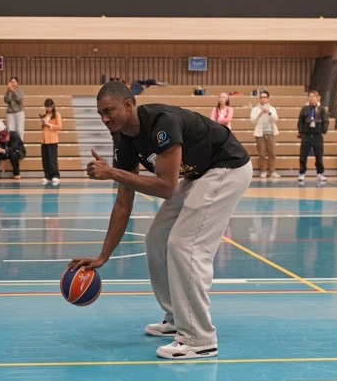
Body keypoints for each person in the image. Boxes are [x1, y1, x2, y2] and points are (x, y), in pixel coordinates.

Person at [68, 81, 252, 360]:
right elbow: (123, 203)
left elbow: (167, 187)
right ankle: (178, 317)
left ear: (129, 105)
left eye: (109, 111)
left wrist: (114, 173)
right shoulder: (123, 140)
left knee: (184, 245)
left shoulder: (162, 123)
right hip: (199, 173)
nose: (105, 119)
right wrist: (103, 256)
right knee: (156, 238)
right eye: (100, 114)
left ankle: (199, 338)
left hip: (226, 167)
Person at [297, 88, 329, 184]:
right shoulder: (304, 109)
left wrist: (323, 130)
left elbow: (325, 121)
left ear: (317, 98)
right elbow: (300, 122)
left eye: (313, 96)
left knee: (319, 155)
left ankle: (320, 173)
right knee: (303, 155)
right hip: (306, 135)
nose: (311, 98)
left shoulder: (322, 109)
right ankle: (302, 173)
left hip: (317, 135)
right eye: (310, 96)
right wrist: (301, 132)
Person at [250, 90, 280, 179]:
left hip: (271, 133)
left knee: (272, 153)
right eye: (261, 97)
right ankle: (263, 171)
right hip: (260, 134)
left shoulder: (272, 108)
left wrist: (269, 112)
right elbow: (253, 120)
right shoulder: (255, 109)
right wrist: (260, 114)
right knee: (262, 153)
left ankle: (272, 171)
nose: (263, 99)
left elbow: (276, 119)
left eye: (264, 97)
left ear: (268, 99)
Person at [40, 98, 63, 185]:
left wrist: (49, 124)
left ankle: (55, 175)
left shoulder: (57, 114)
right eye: (46, 107)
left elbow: (59, 127)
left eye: (49, 107)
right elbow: (43, 127)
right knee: (45, 159)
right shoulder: (45, 115)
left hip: (52, 139)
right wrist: (43, 122)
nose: (48, 109)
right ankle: (47, 175)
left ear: (53, 106)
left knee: (52, 159)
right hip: (44, 140)